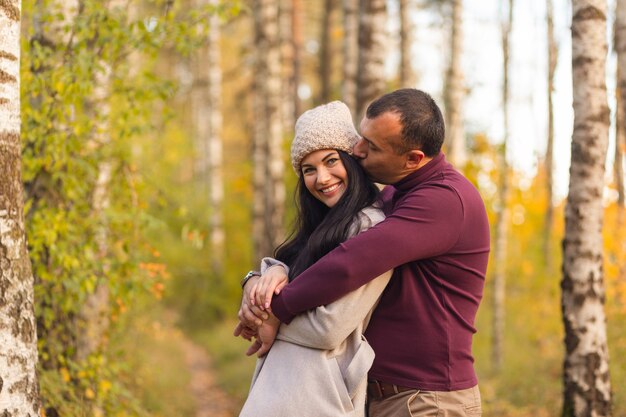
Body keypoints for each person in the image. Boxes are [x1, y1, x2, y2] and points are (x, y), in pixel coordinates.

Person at [239, 89, 490, 417]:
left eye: (371, 146)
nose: (356, 150)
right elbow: (319, 258)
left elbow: (349, 263)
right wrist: (259, 278)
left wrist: (275, 311)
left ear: (413, 158)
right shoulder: (395, 197)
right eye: (362, 137)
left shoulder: (442, 200)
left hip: (427, 400)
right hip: (381, 393)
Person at [237, 101, 393, 417]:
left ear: (352, 160)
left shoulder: (370, 227)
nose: (321, 178)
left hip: (318, 397)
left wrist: (269, 319)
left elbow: (329, 328)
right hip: (285, 391)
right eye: (309, 169)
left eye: (331, 161)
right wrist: (260, 280)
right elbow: (298, 278)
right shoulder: (322, 227)